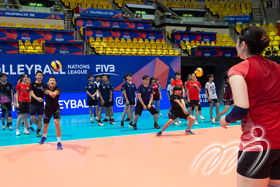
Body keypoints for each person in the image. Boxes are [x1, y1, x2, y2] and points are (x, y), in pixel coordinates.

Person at [219, 26, 280, 187]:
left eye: (237, 42)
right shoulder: (277, 68)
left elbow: (241, 108)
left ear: (243, 44)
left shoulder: (239, 70)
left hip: (257, 144)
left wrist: (225, 119)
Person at [39, 76, 63, 150]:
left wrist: (53, 93)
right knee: (46, 125)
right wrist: (51, 93)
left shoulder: (58, 89)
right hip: (47, 110)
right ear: (47, 82)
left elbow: (55, 93)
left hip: (56, 109)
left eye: (53, 80)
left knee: (56, 123)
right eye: (50, 80)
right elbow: (49, 93)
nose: (52, 81)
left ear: (55, 83)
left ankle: (59, 142)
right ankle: (44, 136)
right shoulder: (45, 89)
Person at [29, 71, 47, 137]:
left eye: (41, 75)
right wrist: (37, 98)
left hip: (40, 104)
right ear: (35, 76)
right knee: (32, 118)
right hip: (34, 103)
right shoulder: (32, 84)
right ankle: (39, 125)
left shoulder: (43, 85)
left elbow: (46, 93)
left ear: (42, 77)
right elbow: (31, 93)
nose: (40, 76)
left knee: (40, 118)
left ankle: (38, 131)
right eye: (38, 75)